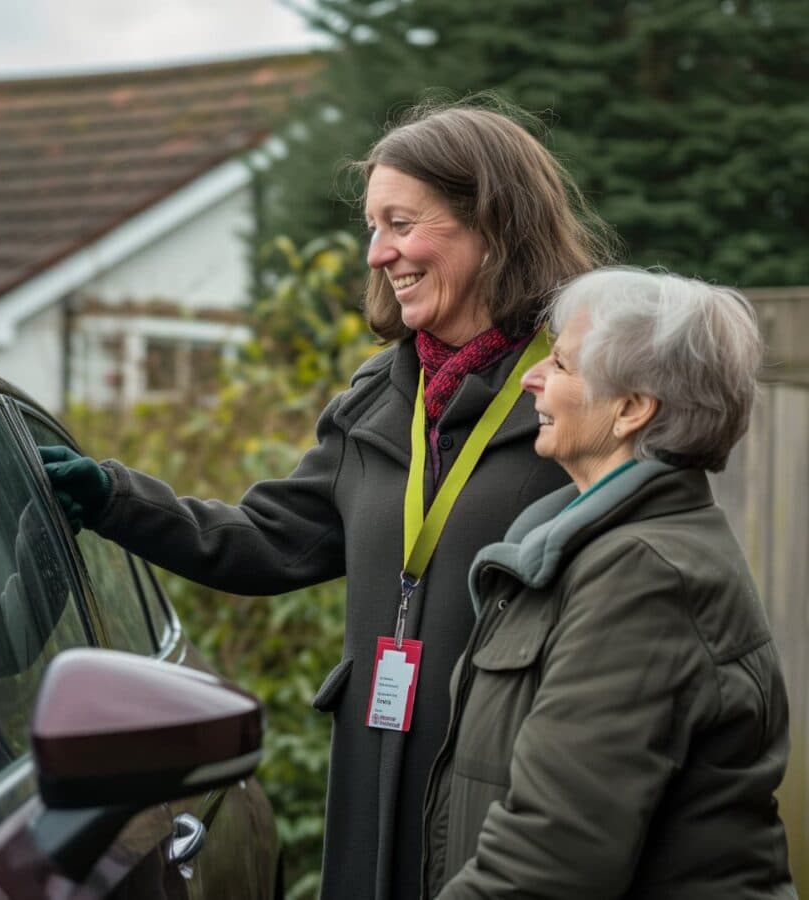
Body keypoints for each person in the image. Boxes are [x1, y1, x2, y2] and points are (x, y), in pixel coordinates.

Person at [39, 103, 611, 900]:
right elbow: (268, 541)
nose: (379, 253)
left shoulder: (584, 395)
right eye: (373, 227)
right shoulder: (378, 398)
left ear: (490, 220)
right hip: (370, 805)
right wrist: (110, 498)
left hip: (513, 812)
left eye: (401, 223)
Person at [422, 267, 795, 899]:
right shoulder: (592, 548)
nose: (533, 378)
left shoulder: (645, 576)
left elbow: (551, 858)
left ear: (630, 409)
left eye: (562, 364)